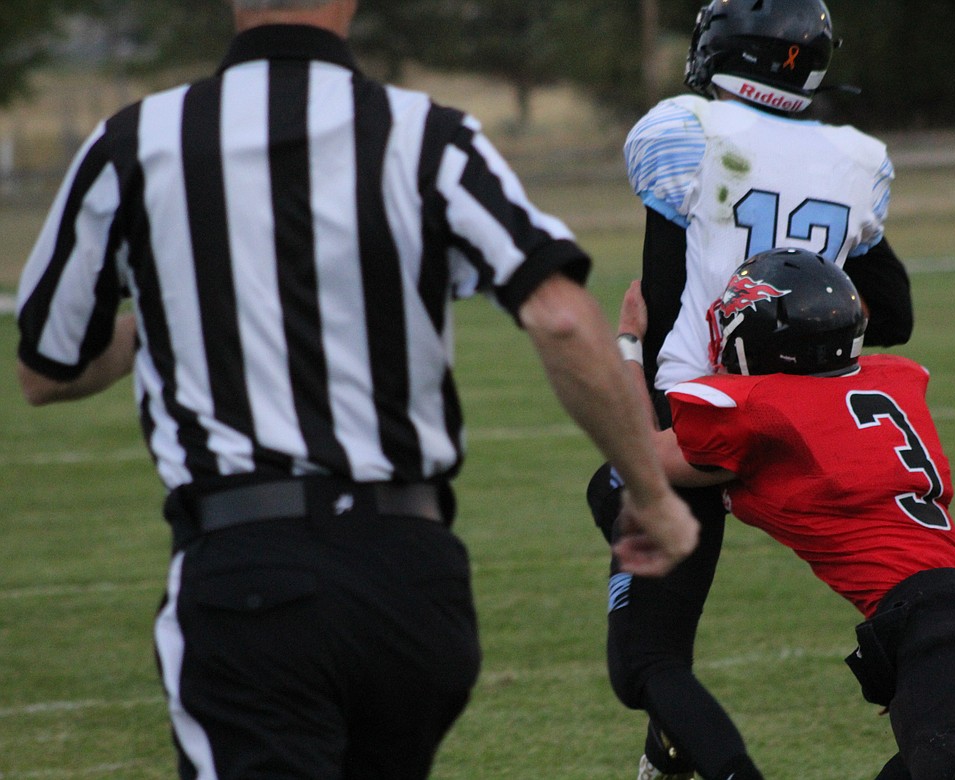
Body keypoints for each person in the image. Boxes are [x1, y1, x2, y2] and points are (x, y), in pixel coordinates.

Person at [15, 1, 699, 778]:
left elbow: (48, 365)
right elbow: (563, 319)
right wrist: (650, 490)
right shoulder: (427, 135)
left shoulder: (136, 142)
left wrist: (181, 311)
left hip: (249, 568)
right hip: (410, 578)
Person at [588, 1, 914, 778]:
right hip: (803, 425)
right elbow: (894, 315)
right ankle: (669, 753)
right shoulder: (854, 156)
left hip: (702, 422)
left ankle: (701, 757)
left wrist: (632, 349)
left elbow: (664, 306)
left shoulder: (687, 131)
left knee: (646, 656)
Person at [610, 247, 955, 780]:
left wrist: (629, 345)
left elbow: (639, 453)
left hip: (936, 629)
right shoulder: (888, 381)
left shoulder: (761, 412)